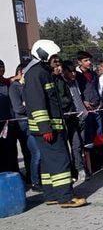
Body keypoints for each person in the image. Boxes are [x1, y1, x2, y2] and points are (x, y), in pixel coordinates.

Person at [22, 40, 87, 207]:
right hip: (47, 128)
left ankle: (50, 194)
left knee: (48, 162)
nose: (54, 59)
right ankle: (66, 197)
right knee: (60, 160)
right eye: (51, 56)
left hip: (52, 126)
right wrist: (45, 127)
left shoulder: (42, 71)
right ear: (42, 54)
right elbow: (37, 103)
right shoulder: (36, 73)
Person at [8, 61, 41, 188]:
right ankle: (35, 181)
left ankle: (34, 178)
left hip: (33, 121)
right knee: (36, 152)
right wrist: (31, 105)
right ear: (21, 72)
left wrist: (28, 104)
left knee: (33, 153)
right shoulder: (15, 87)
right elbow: (19, 109)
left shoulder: (28, 86)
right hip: (23, 123)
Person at [59, 61, 88, 181]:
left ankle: (81, 168)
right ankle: (78, 170)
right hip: (71, 118)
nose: (73, 74)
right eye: (70, 72)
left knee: (81, 145)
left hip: (82, 117)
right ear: (64, 72)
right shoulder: (62, 85)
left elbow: (79, 98)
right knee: (75, 145)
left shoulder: (75, 83)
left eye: (74, 71)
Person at [75, 51, 101, 142]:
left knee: (99, 133)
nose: (89, 62)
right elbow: (75, 92)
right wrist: (83, 102)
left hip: (97, 107)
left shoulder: (93, 74)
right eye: (85, 60)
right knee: (88, 135)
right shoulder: (76, 75)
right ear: (79, 62)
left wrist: (99, 101)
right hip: (85, 110)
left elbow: (97, 88)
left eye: (89, 60)